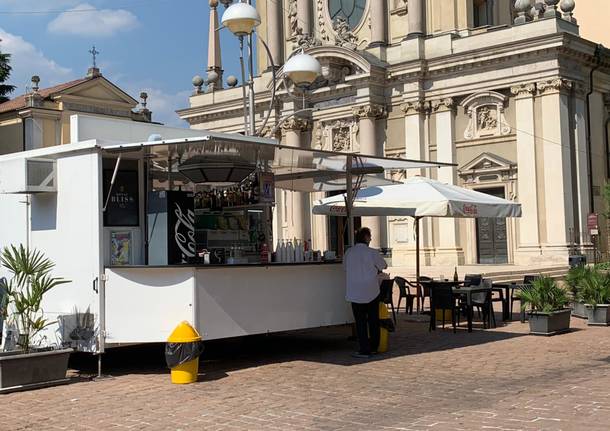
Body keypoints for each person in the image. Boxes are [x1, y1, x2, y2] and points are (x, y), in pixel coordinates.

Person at [343, 227, 388, 359]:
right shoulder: (372, 252)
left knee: (360, 322)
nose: (371, 239)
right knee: (373, 320)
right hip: (371, 290)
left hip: (355, 291)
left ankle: (364, 349)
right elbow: (383, 265)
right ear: (366, 238)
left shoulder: (349, 252)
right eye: (370, 236)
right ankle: (374, 346)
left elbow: (344, 268)